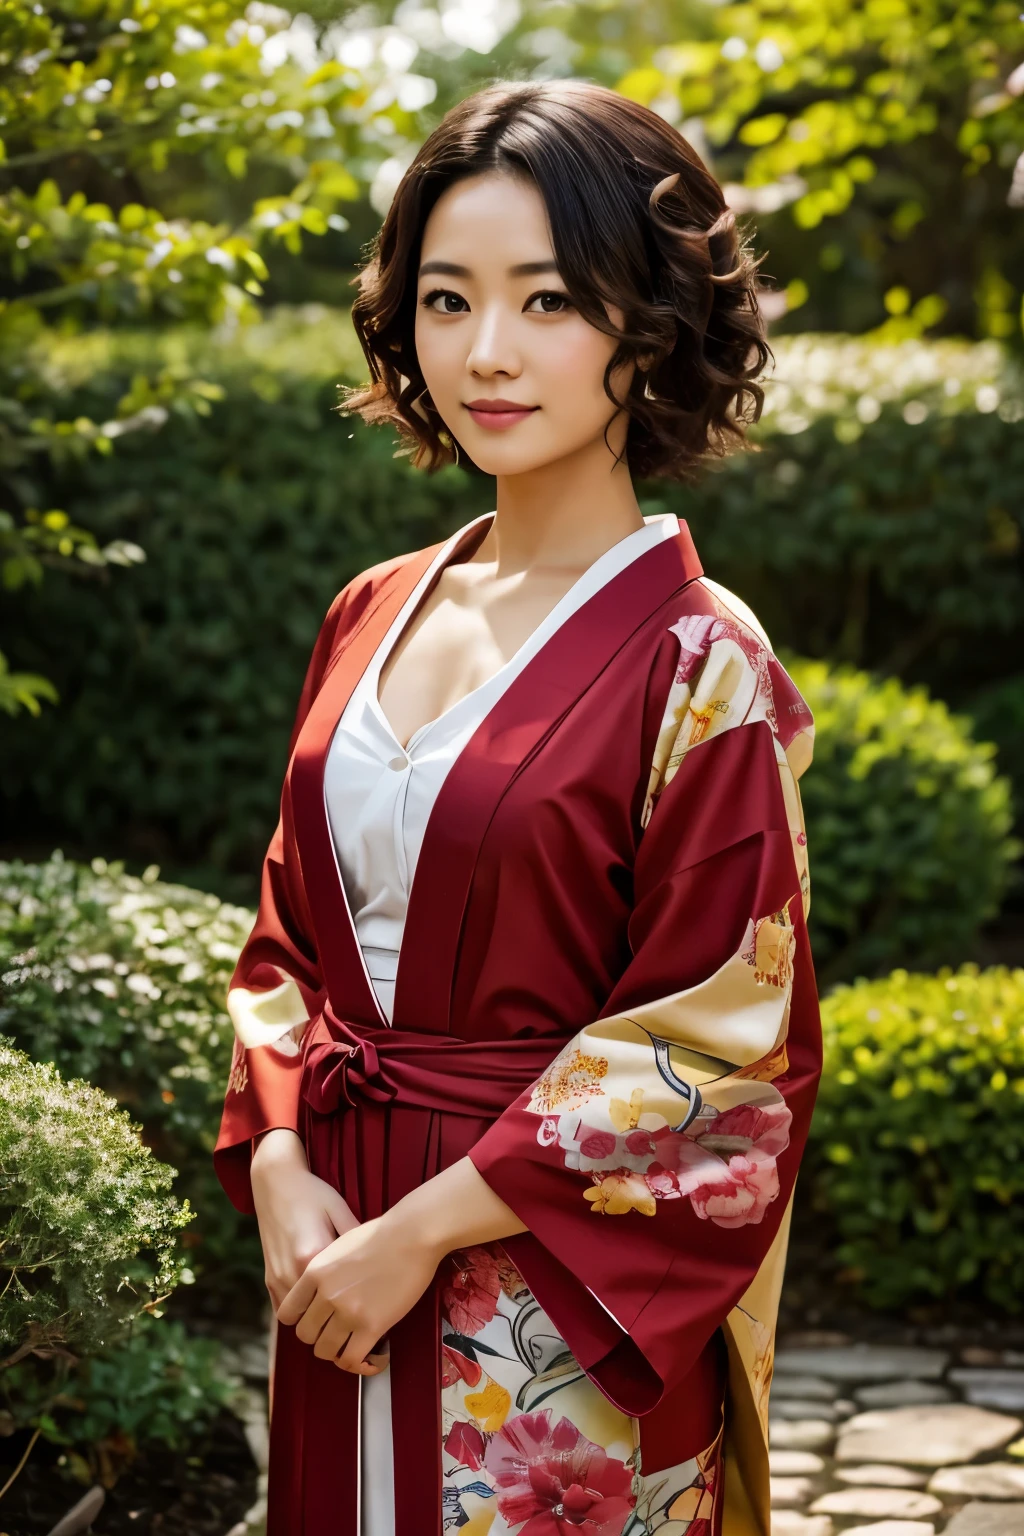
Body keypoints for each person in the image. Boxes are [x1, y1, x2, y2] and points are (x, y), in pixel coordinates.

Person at [214, 78, 822, 1536]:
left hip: (537, 1299)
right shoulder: (373, 607)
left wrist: (416, 1239)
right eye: (445, 299)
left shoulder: (703, 662)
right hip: (336, 1249)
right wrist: (288, 1168)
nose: (485, 353)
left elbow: (718, 1052)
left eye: (548, 300)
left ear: (650, 318)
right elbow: (291, 935)